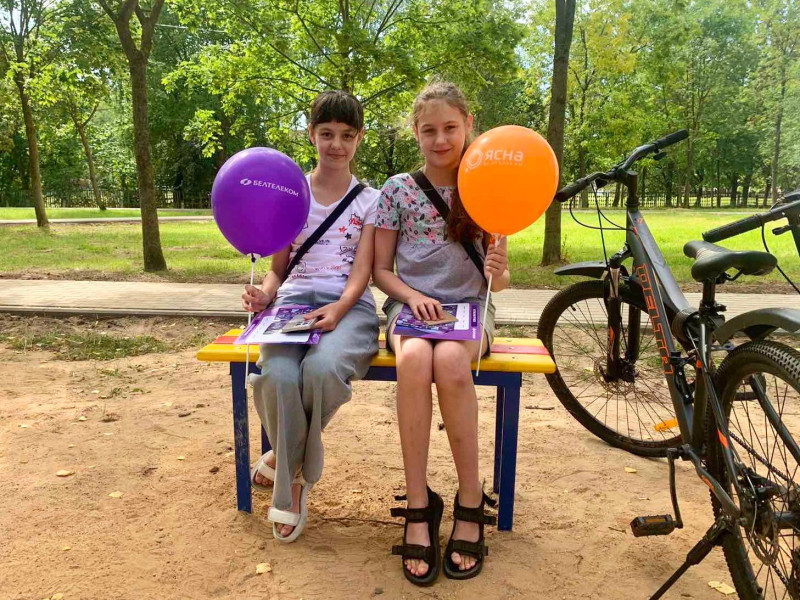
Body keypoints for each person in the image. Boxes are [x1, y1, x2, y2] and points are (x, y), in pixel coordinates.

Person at [373, 81, 511, 584]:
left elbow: (501, 281)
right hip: (410, 307)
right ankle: (419, 503)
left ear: (468, 125)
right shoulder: (397, 189)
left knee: (451, 362)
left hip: (471, 309)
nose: (440, 139)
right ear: (415, 132)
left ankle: (470, 498)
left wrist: (498, 269)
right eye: (429, 130)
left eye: (450, 127)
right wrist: (412, 297)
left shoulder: (489, 184)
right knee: (413, 361)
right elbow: (381, 271)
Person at [241, 90, 380, 543]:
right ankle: (297, 470)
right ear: (311, 135)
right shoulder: (290, 192)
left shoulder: (370, 200)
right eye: (327, 134)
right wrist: (263, 295)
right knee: (278, 377)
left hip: (349, 306)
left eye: (346, 135)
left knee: (322, 371)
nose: (336, 145)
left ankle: (290, 479)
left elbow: (363, 272)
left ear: (359, 138)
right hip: (292, 305)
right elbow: (278, 269)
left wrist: (339, 309)